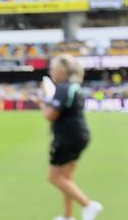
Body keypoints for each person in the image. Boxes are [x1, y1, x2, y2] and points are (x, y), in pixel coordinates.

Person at [42, 55, 102, 220]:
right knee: (67, 178)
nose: (51, 72)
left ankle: (88, 205)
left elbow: (49, 115)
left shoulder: (63, 89)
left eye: (53, 69)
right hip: (79, 136)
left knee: (55, 177)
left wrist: (46, 97)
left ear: (62, 71)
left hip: (67, 137)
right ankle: (67, 216)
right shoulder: (73, 87)